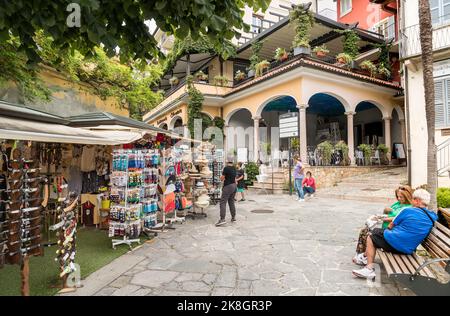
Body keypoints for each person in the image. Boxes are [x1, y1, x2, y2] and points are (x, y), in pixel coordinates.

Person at [352, 189, 437, 279]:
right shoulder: (432, 217)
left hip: (396, 245)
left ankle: (369, 268)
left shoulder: (407, 211)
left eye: (413, 199)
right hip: (408, 249)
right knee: (377, 234)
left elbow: (390, 226)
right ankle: (365, 256)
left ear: (417, 201)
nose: (411, 201)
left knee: (372, 235)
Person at [353, 186, 413, 260]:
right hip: (386, 228)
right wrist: (385, 210)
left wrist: (380, 219)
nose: (399, 199)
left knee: (368, 234)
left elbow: (396, 218)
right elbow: (388, 212)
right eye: (398, 197)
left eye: (401, 197)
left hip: (392, 231)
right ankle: (361, 254)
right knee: (364, 231)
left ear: (407, 196)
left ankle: (365, 256)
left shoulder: (409, 208)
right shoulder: (398, 203)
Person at [216, 158, 237, 227]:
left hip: (228, 186)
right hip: (234, 186)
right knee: (231, 202)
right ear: (232, 162)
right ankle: (233, 218)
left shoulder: (226, 168)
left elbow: (222, 178)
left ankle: (222, 219)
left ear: (227, 161)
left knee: (223, 202)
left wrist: (220, 178)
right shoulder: (234, 168)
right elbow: (234, 178)